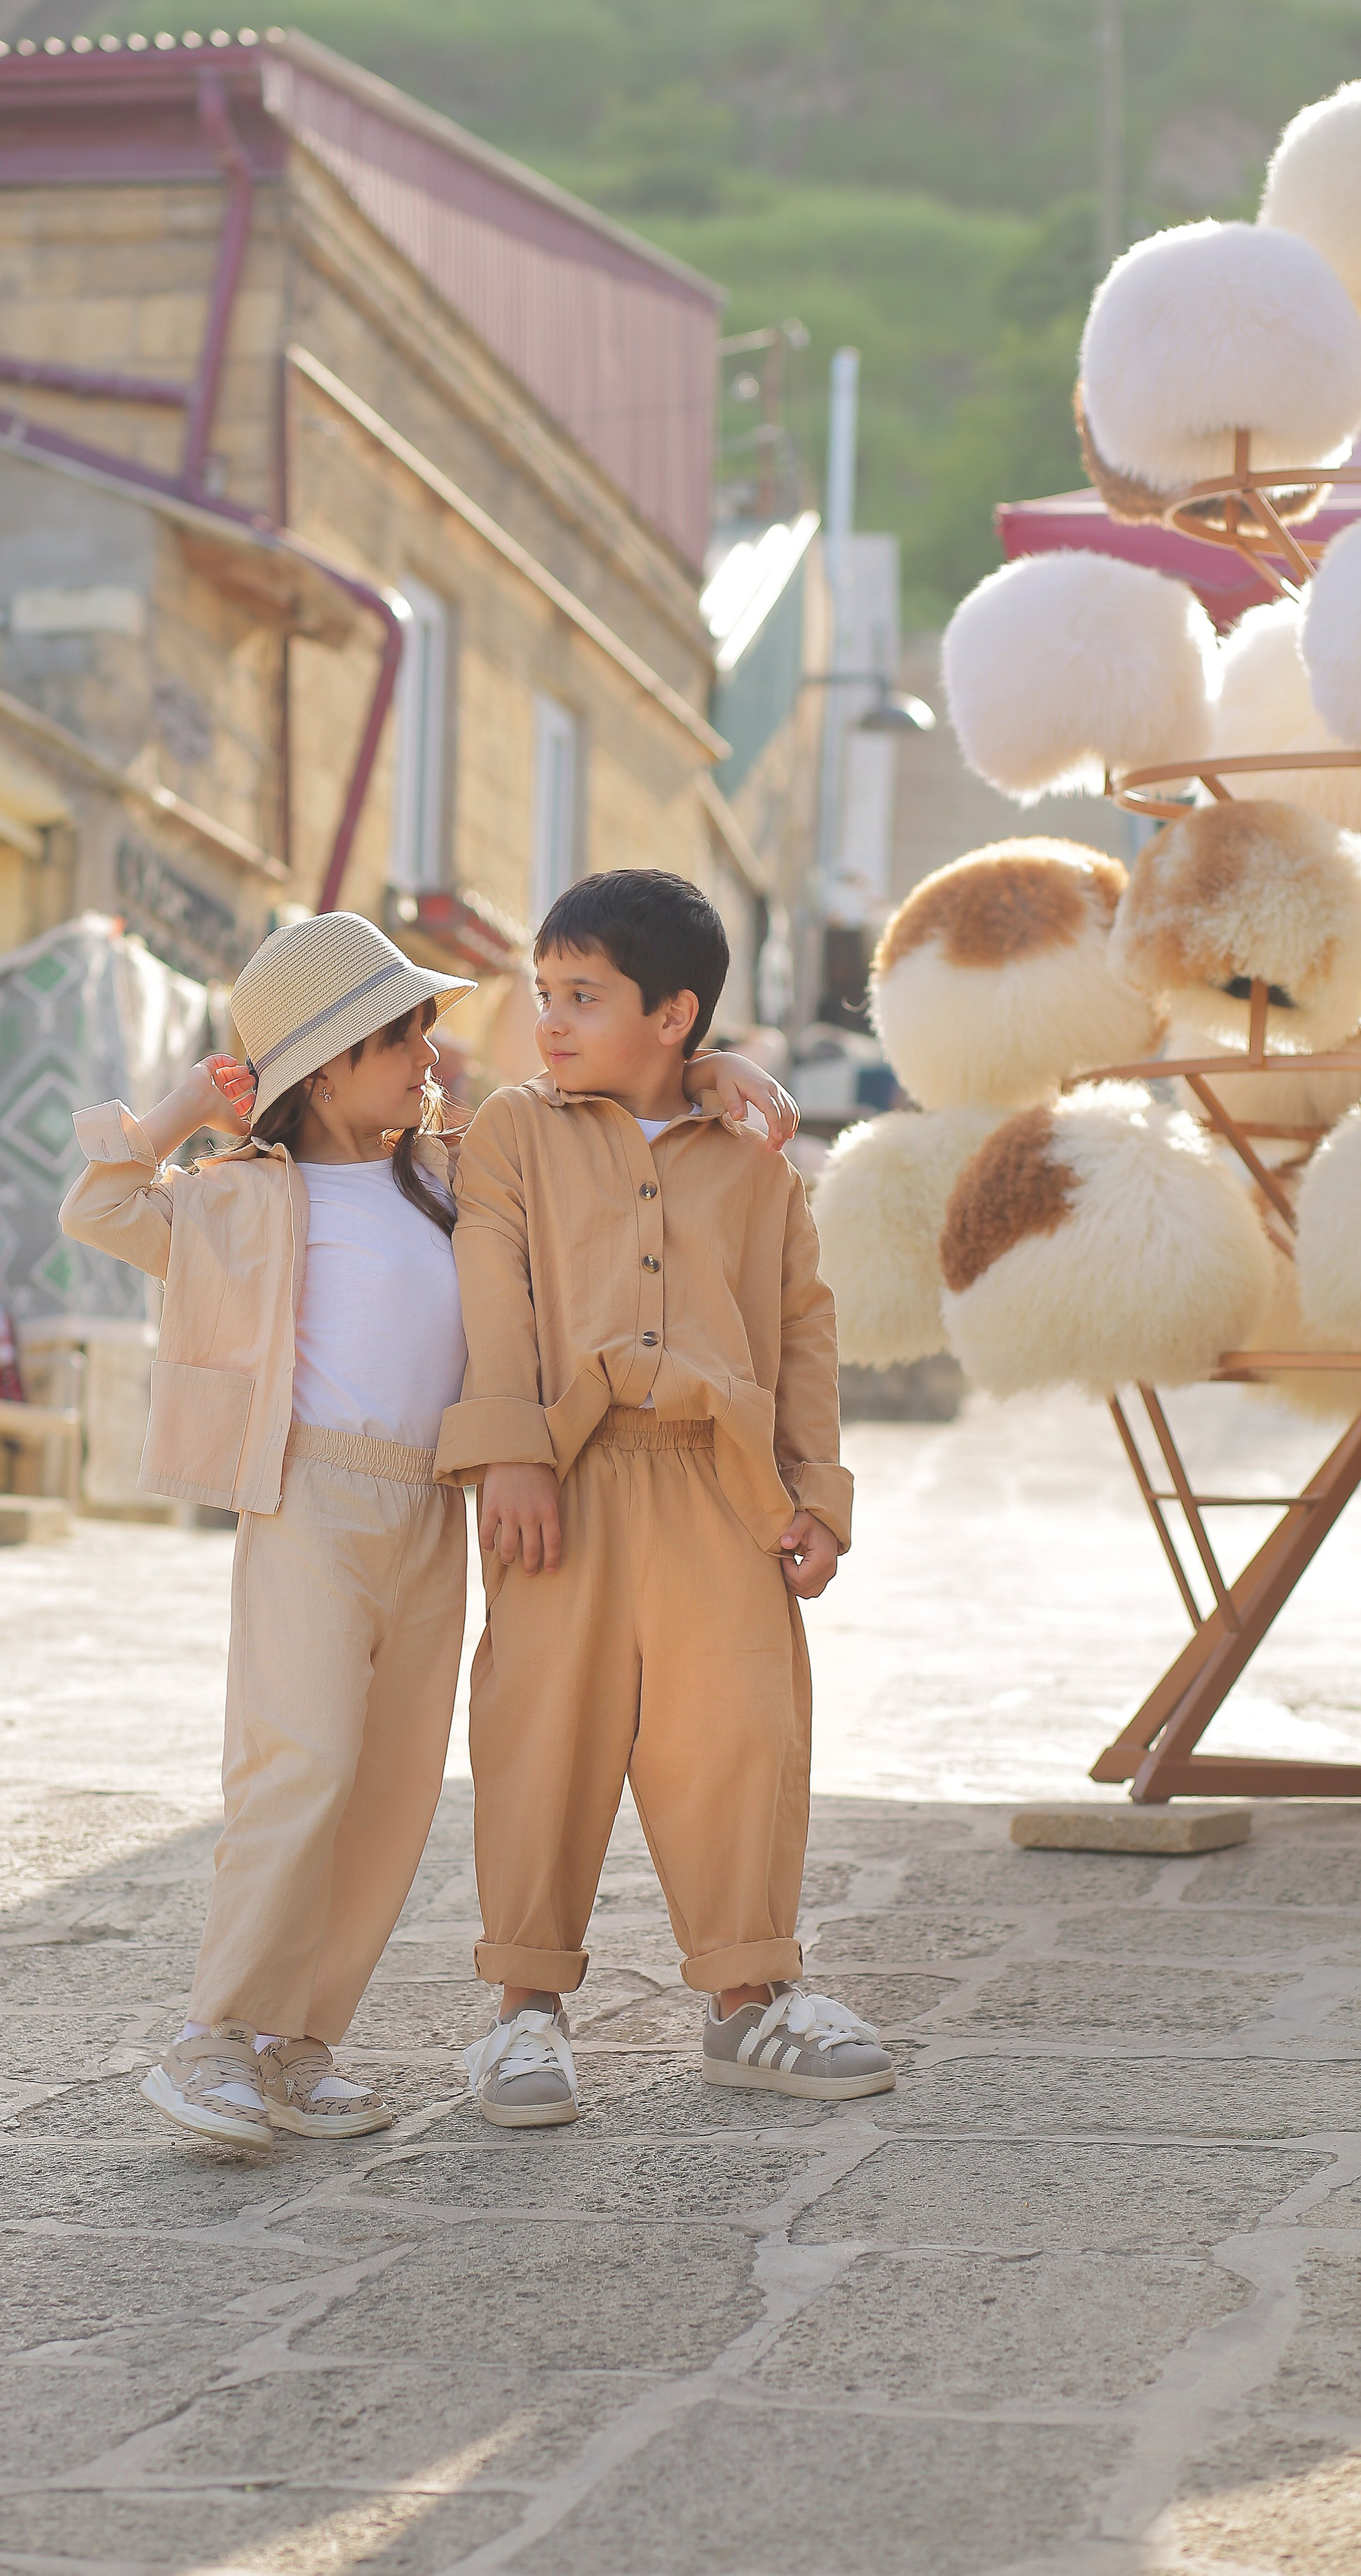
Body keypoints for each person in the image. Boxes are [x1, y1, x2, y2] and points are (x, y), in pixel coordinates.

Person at [57, 909, 797, 2156]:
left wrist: (714, 1075)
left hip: (434, 1510)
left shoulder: (458, 1177)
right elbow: (101, 1205)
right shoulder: (240, 1199)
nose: (432, 1060)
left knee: (394, 1791)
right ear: (325, 1064)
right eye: (402, 1039)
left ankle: (300, 2045)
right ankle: (216, 2036)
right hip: (307, 1503)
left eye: (429, 1038)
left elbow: (600, 1157)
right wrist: (194, 1100)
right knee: (301, 1767)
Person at [435, 869, 893, 2129]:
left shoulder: (753, 1159)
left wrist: (818, 1494)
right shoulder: (513, 1132)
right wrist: (512, 1451)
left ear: (675, 1015)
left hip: (720, 1483)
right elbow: (496, 1293)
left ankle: (753, 1998)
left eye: (584, 995)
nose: (552, 1020)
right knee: (543, 1732)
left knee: (743, 1729)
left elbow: (802, 1328)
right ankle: (522, 2012)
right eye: (544, 993)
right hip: (564, 1484)